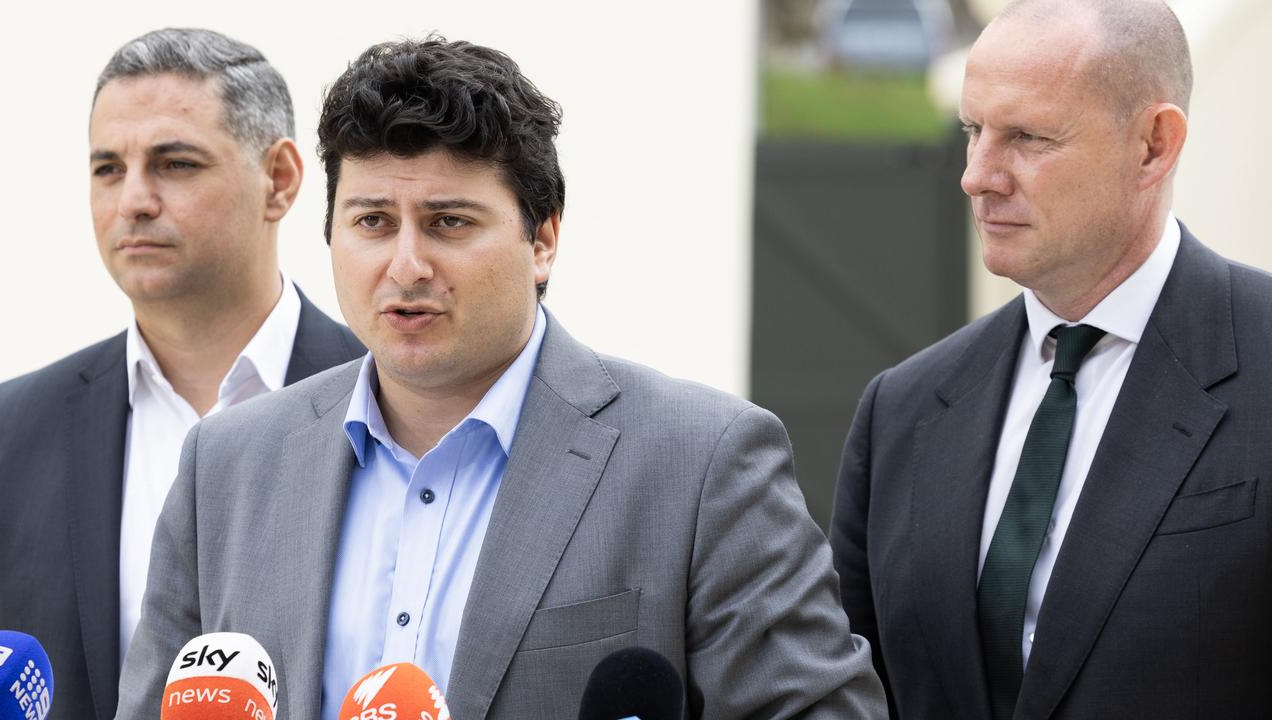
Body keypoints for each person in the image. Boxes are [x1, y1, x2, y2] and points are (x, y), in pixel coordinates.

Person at [114, 36, 886, 719]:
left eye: (450, 222)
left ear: (543, 238)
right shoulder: (228, 465)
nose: (405, 265)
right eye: (372, 222)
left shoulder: (702, 462)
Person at [831, 0, 1272, 718]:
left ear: (1154, 146)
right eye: (974, 131)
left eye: (1027, 138)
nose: (977, 175)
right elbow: (848, 688)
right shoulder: (902, 409)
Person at [0, 28, 363, 720]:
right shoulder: (7, 435)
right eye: (108, 169)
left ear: (279, 180)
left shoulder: (395, 406)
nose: (133, 199)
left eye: (175, 164)